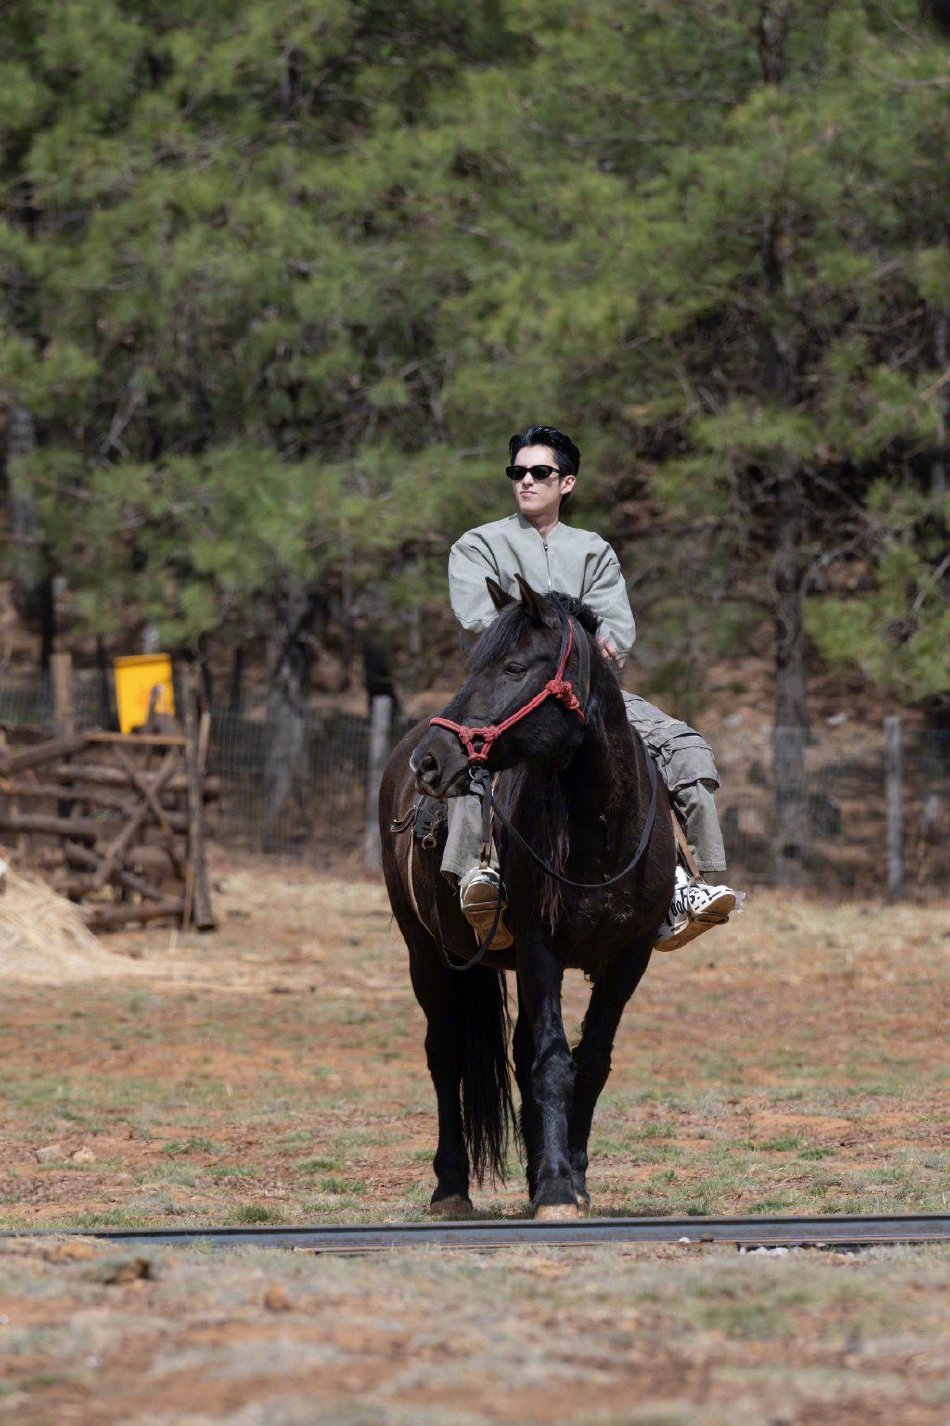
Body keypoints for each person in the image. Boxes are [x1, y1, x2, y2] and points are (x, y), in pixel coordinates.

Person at [442, 424, 738, 951]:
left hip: (591, 693)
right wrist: (567, 627)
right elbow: (482, 618)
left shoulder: (593, 550)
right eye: (518, 472)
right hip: (510, 690)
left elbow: (615, 631)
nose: (526, 481)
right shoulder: (477, 545)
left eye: (540, 472)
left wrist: (574, 640)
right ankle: (475, 875)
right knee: (471, 743)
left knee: (686, 749)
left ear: (567, 482)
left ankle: (690, 885)